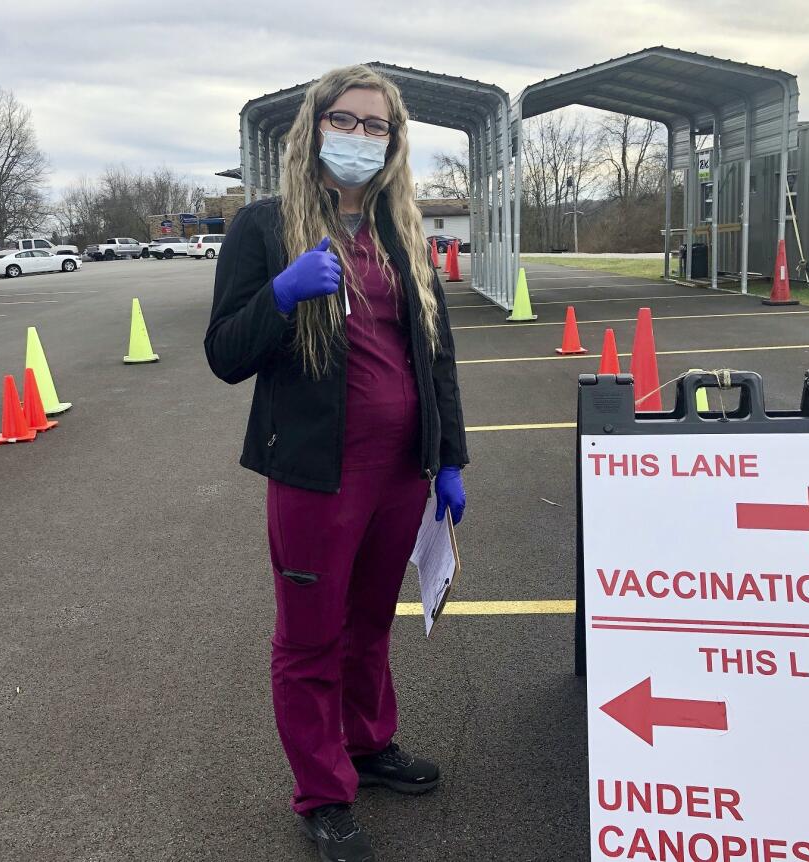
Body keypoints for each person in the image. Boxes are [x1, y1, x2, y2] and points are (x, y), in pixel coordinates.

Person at [204, 64, 468, 862]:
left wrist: (449, 457)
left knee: (368, 625)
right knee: (311, 639)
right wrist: (280, 298)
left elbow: (438, 356)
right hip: (316, 476)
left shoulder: (401, 232)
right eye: (345, 121)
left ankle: (367, 744)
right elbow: (224, 353)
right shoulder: (262, 228)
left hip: (399, 476)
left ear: (394, 141)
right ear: (314, 127)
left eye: (376, 125)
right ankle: (322, 792)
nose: (359, 137)